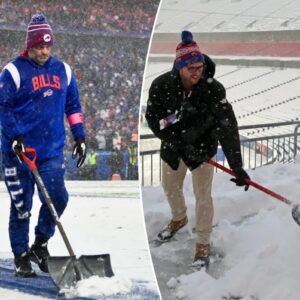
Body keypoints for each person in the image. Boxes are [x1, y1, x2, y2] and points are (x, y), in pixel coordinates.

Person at [145, 31, 250, 269]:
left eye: (199, 66)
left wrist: (237, 166)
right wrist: (178, 143)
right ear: (179, 66)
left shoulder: (214, 89)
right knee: (170, 187)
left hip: (203, 150)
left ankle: (203, 243)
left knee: (203, 196)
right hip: (173, 148)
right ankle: (179, 217)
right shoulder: (161, 86)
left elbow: (227, 126)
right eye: (191, 67)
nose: (197, 71)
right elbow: (154, 120)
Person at [0, 13, 86, 277]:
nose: (44, 50)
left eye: (48, 45)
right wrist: (14, 135)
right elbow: (2, 107)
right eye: (39, 46)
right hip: (19, 153)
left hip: (50, 152)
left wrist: (80, 135)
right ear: (29, 44)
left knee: (58, 198)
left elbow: (73, 105)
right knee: (22, 207)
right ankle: (20, 254)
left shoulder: (64, 70)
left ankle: (40, 244)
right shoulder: (13, 71)